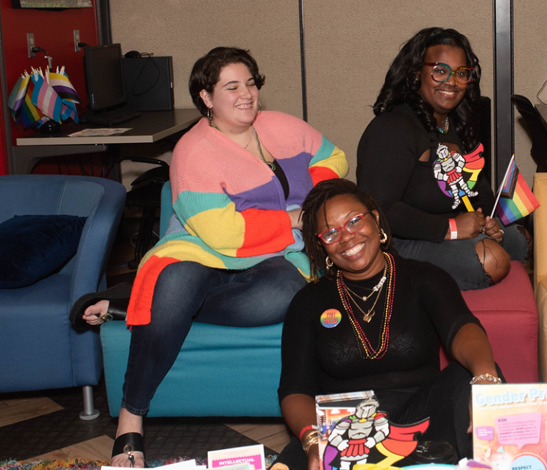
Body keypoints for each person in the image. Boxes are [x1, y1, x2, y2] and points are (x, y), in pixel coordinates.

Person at [70, 46, 348, 468]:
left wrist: (316, 195)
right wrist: (293, 218)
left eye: (251, 84)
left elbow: (333, 156)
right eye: (232, 86)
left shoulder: (280, 126)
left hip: (274, 253)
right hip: (202, 249)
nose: (247, 94)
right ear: (206, 96)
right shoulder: (193, 149)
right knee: (178, 283)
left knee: (284, 291)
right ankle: (131, 417)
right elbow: (223, 234)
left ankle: (149, 305)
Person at [275, 179, 503, 470]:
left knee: (470, 378)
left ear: (376, 218)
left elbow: (461, 327)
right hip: (344, 433)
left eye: (354, 221)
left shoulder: (423, 278)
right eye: (331, 232)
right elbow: (295, 389)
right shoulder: (308, 301)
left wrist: (484, 379)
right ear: (322, 244)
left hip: (424, 425)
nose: (346, 237)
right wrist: (312, 441)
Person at [356, 27, 527, 290]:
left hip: (453, 228)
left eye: (461, 73)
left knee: (520, 239)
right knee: (492, 260)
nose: (452, 81)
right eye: (440, 70)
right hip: (401, 240)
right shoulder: (392, 128)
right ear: (416, 74)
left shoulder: (456, 124)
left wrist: (487, 221)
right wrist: (451, 228)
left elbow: (477, 187)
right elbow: (380, 209)